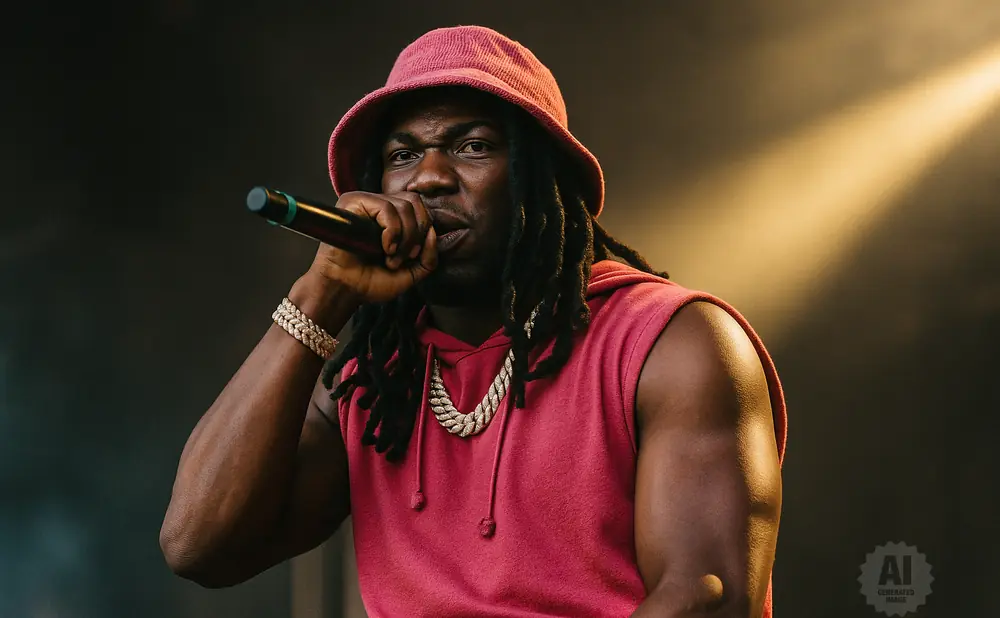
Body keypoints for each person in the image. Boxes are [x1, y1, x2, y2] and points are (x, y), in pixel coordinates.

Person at [160, 25, 787, 618]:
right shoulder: (373, 382)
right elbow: (197, 545)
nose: (429, 178)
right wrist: (318, 296)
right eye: (402, 155)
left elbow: (709, 599)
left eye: (472, 146)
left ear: (542, 181)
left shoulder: (670, 343)